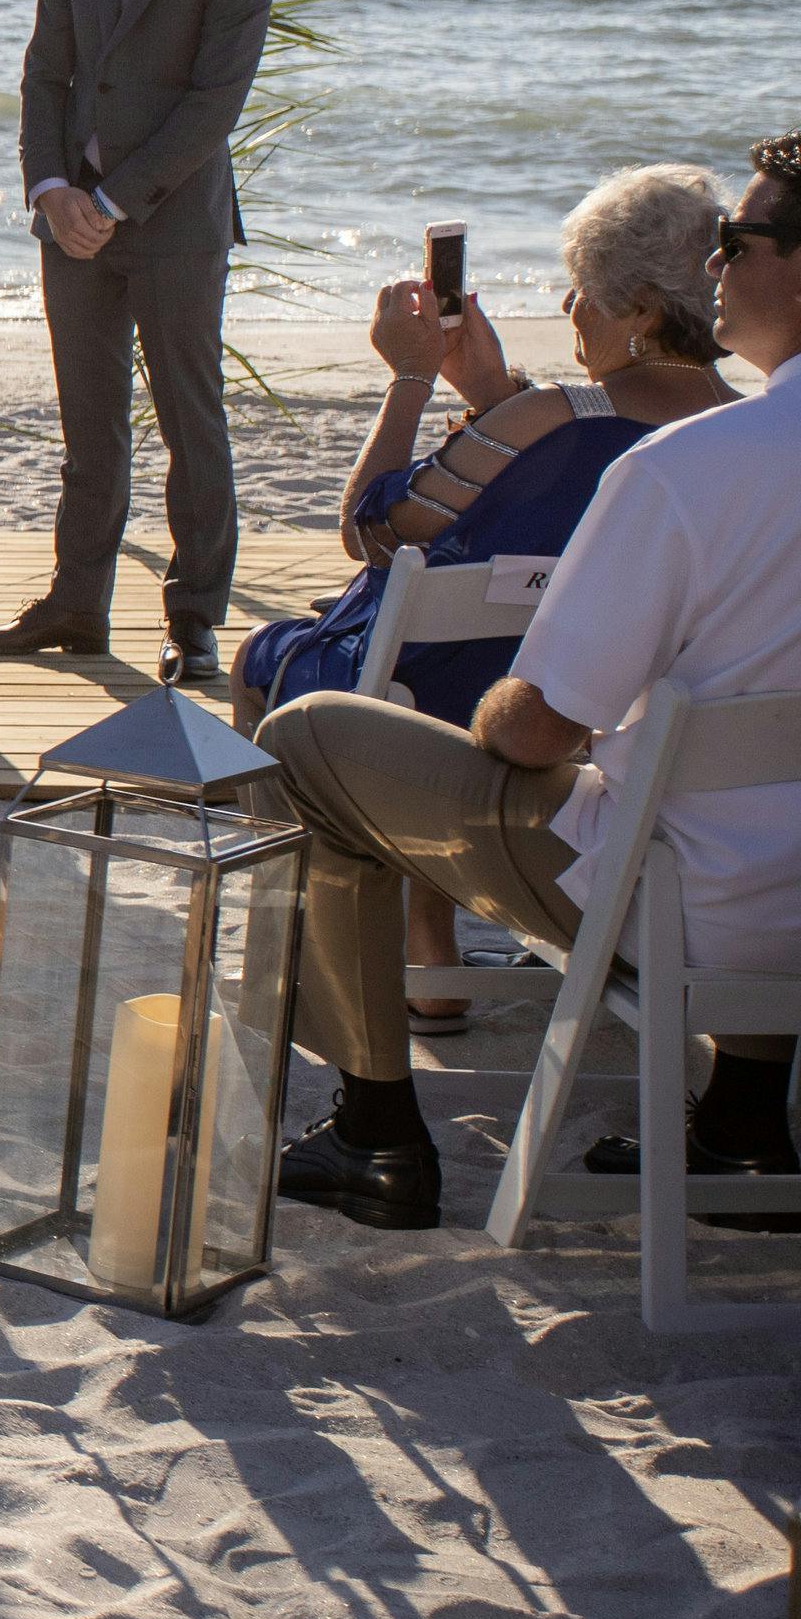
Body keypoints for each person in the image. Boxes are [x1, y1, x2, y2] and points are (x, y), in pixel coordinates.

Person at [251, 131, 801, 1234]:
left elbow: (540, 729)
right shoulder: (703, 443)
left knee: (310, 734)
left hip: (696, 913)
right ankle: (739, 1126)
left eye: (740, 241)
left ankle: (373, 1133)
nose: (718, 266)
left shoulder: (687, 474)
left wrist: (528, 703)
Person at [237, 167, 739, 1025]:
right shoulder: (734, 431)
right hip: (609, 723)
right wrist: (492, 393)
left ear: (644, 311)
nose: (571, 312)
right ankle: (428, 937)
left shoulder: (549, 415)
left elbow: (374, 530)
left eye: (584, 293)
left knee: (268, 661)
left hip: (482, 703)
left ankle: (378, 947)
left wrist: (412, 376)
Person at [0, 0, 276, 685]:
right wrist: (50, 190)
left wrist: (110, 198)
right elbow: (44, 75)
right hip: (72, 225)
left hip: (173, 225)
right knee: (87, 423)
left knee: (192, 420)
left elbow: (211, 106)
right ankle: (76, 603)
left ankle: (193, 619)